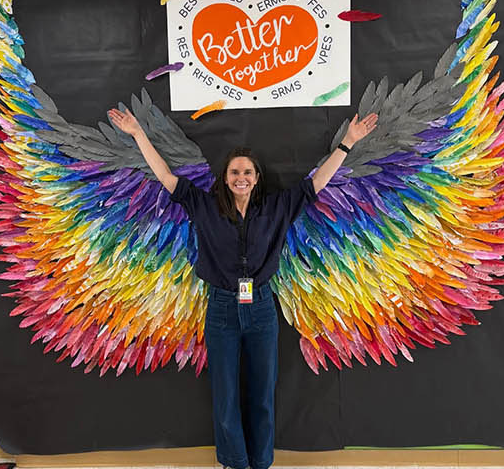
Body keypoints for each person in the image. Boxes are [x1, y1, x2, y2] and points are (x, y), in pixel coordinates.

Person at [111, 108, 377, 469]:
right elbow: (165, 176)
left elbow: (316, 183)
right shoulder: (203, 205)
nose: (241, 177)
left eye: (247, 172)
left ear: (256, 178)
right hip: (221, 309)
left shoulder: (277, 207)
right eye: (235, 172)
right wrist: (137, 133)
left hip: (262, 309)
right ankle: (234, 461)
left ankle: (261, 462)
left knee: (262, 393)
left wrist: (348, 142)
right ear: (225, 178)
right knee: (225, 394)